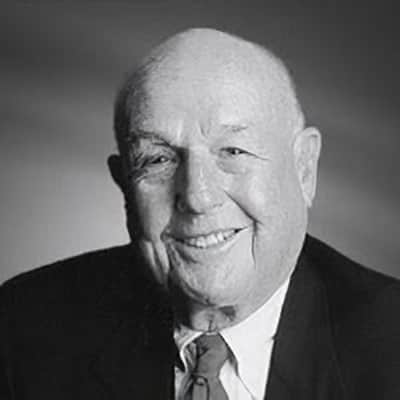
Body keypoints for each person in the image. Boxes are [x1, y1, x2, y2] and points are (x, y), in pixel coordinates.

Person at [1, 28, 399, 400]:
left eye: (233, 151)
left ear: (304, 168)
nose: (197, 197)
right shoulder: (24, 328)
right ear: (124, 184)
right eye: (158, 160)